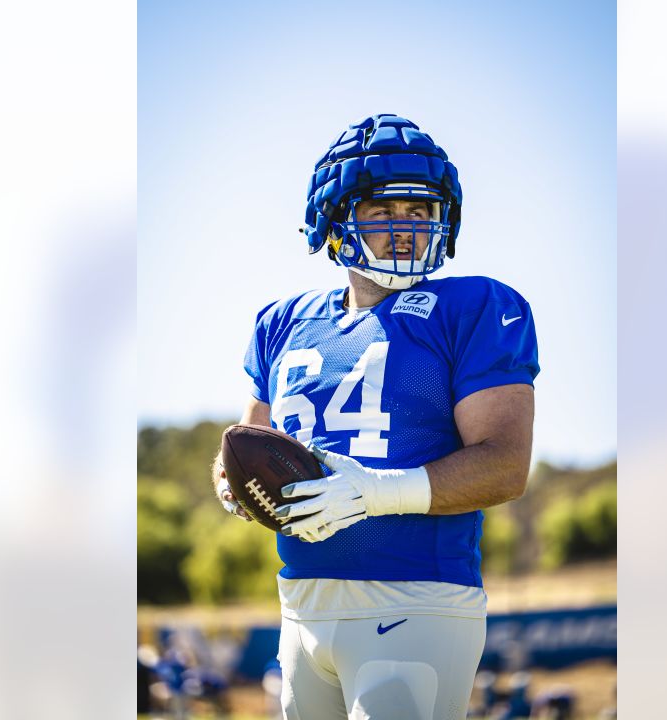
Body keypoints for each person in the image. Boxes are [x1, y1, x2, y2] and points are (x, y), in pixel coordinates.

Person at [212, 113, 539, 720]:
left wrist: (374, 493)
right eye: (383, 211)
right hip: (300, 601)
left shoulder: (472, 305)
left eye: (420, 211)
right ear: (333, 218)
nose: (406, 229)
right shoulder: (282, 321)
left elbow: (505, 466)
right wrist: (232, 481)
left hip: (416, 599)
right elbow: (249, 440)